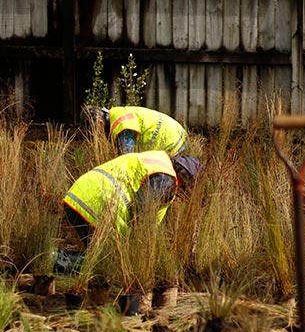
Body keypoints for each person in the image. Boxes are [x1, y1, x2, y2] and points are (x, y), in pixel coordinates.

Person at [62, 150, 203, 250]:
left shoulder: (160, 160)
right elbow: (142, 212)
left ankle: (56, 260)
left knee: (96, 257)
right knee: (108, 263)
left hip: (79, 195)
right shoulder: (167, 179)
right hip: (99, 204)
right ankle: (57, 260)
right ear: (187, 180)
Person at [81, 105, 187, 157]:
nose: (96, 137)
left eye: (94, 133)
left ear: (99, 123)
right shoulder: (115, 114)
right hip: (176, 133)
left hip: (172, 142)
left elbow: (127, 160)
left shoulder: (122, 126)